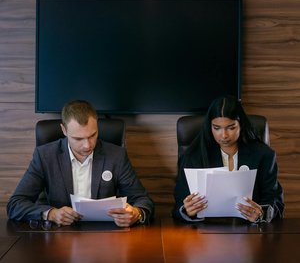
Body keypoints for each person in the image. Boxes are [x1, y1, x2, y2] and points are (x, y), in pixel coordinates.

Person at [7, 100, 154, 227]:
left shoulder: (116, 156)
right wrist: (51, 214)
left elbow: (143, 200)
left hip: (105, 235)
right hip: (58, 236)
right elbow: (15, 204)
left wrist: (136, 213)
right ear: (64, 130)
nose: (87, 145)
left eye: (92, 135)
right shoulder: (45, 156)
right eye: (78, 139)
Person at [172, 95, 284, 223]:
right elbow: (177, 208)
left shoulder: (263, 155)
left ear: (241, 125)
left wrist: (261, 214)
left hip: (249, 232)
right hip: (205, 233)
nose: (224, 135)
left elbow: (276, 202)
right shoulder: (193, 156)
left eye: (231, 128)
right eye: (217, 128)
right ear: (209, 126)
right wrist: (187, 211)